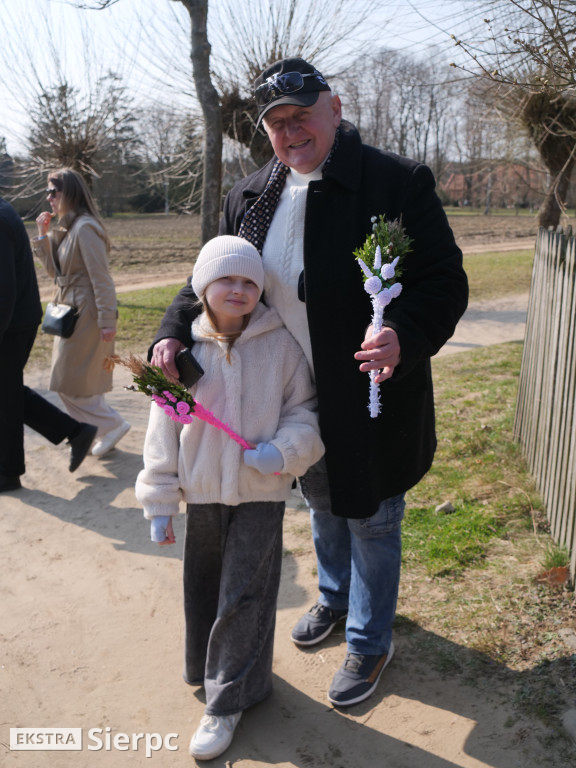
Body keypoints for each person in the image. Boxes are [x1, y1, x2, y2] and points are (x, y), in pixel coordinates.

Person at [150, 58, 469, 708]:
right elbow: (209, 274)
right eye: (276, 122)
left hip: (370, 392)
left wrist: (402, 335)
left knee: (372, 517)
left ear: (336, 108)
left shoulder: (394, 183)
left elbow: (444, 279)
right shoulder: (252, 195)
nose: (291, 131)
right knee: (320, 502)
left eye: (302, 114)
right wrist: (173, 327)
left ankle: (369, 639)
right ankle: (333, 597)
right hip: (289, 396)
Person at [135, 235, 324, 760]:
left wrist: (284, 452)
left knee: (246, 593)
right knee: (203, 585)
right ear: (202, 287)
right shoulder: (180, 354)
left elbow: (304, 412)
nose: (238, 290)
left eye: (248, 281)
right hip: (201, 496)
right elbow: (161, 432)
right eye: (225, 280)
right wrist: (159, 501)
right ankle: (221, 674)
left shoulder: (282, 346)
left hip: (260, 492)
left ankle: (224, 703)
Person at [0, 196, 97, 492]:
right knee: (7, 390)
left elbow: (3, 288)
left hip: (12, 322)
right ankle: (75, 431)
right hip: (14, 318)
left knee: (5, 396)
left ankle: (8, 474)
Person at [32, 168, 130, 458]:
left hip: (85, 312)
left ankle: (112, 424)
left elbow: (101, 278)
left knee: (68, 382)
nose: (49, 198)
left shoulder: (85, 228)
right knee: (81, 381)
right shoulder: (68, 227)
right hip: (69, 308)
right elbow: (55, 273)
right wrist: (41, 236)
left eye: (54, 191)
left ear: (70, 193)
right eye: (48, 192)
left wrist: (107, 321)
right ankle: (103, 429)